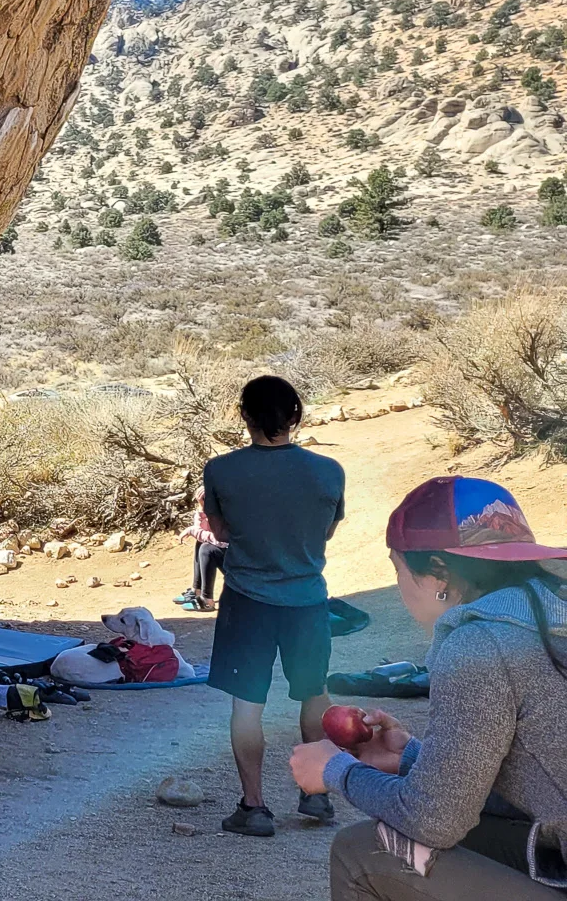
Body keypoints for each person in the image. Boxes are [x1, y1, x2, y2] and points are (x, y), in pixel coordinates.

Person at [290, 476, 567, 899]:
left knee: (361, 850)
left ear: (438, 571)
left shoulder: (480, 644)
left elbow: (435, 821)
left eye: (397, 568)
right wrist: (412, 760)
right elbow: (538, 786)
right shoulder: (545, 614)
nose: (399, 584)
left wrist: (336, 771)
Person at [202, 373, 346, 837]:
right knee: (314, 694)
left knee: (247, 706)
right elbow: (325, 532)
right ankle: (317, 794)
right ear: (296, 417)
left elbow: (220, 534)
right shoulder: (329, 470)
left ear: (244, 415)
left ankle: (254, 807)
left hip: (248, 602)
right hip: (306, 601)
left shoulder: (221, 470)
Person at [176, 508, 227, 612]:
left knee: (207, 549)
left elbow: (222, 540)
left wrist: (192, 531)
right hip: (237, 555)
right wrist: (202, 509)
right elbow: (202, 529)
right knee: (201, 543)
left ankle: (206, 600)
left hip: (247, 565)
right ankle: (197, 590)